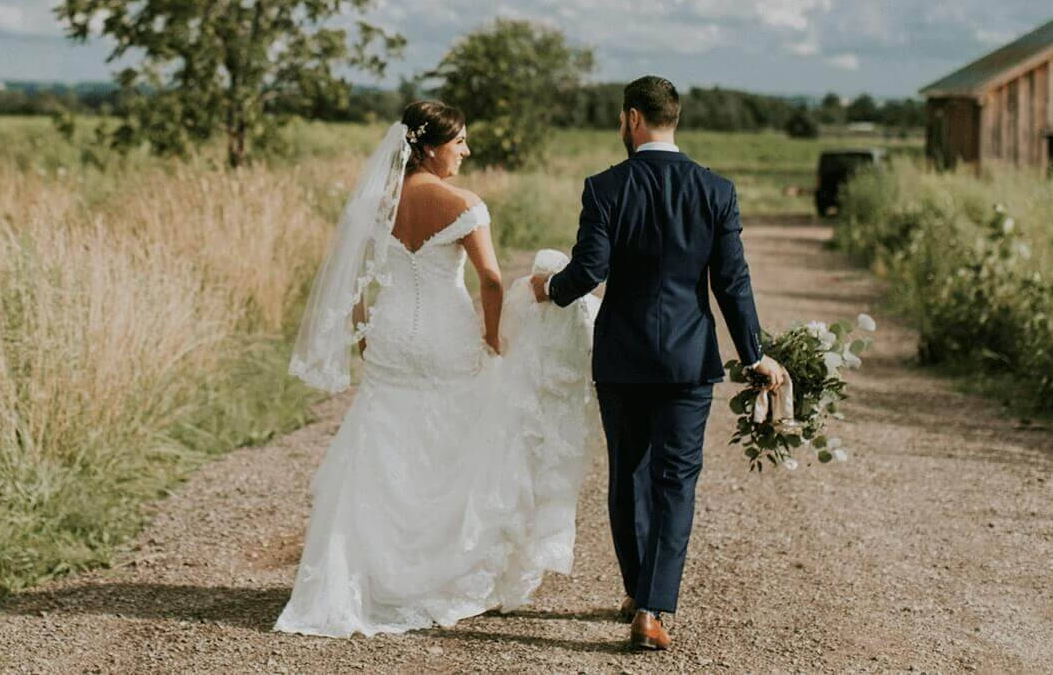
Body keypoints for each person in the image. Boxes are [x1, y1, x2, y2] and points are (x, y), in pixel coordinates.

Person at [275, 100, 599, 638]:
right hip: (446, 336)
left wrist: (362, 335)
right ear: (429, 148)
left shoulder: (375, 203)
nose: (466, 151)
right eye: (460, 142)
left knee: (382, 446)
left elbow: (354, 276)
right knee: (449, 448)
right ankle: (436, 576)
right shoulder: (463, 203)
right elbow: (491, 280)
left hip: (391, 335)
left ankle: (366, 577)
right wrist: (494, 336)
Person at [531, 75, 788, 651]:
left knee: (628, 475)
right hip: (687, 363)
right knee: (676, 481)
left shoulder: (604, 187)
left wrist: (548, 289)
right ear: (673, 120)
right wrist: (755, 353)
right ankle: (651, 607)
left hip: (621, 357)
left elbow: (588, 270)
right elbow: (732, 282)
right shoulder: (715, 190)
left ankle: (635, 588)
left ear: (632, 120)